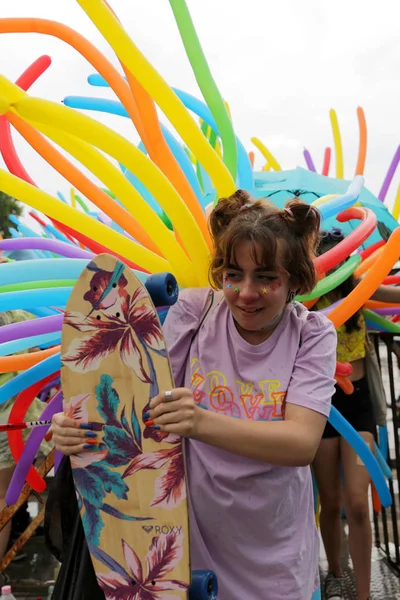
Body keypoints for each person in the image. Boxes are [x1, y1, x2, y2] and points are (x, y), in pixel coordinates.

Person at [50, 190, 338, 600]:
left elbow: (301, 444)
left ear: (294, 278)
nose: (246, 292)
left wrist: (200, 421)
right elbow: (131, 403)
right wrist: (74, 431)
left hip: (275, 552)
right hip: (189, 544)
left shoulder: (312, 335)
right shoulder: (193, 312)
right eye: (233, 274)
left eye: (266, 277)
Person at [312, 228, 400, 600]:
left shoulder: (357, 289)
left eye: (339, 260)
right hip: (320, 403)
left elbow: (394, 294)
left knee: (357, 503)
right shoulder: (305, 298)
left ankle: (363, 594)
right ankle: (336, 574)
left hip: (358, 403)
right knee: (330, 502)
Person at [0, 256, 53, 564]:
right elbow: (38, 350)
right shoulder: (14, 309)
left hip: (15, 421)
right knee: (4, 499)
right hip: (13, 419)